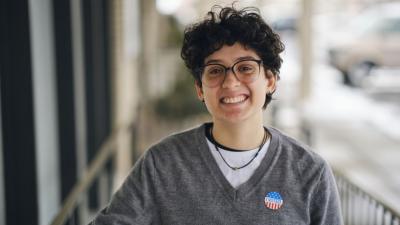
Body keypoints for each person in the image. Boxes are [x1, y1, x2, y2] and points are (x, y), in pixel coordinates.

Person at [89, 5, 343, 225]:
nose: (230, 82)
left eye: (245, 68)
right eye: (215, 71)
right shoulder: (163, 164)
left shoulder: (310, 172)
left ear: (270, 80)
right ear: (200, 89)